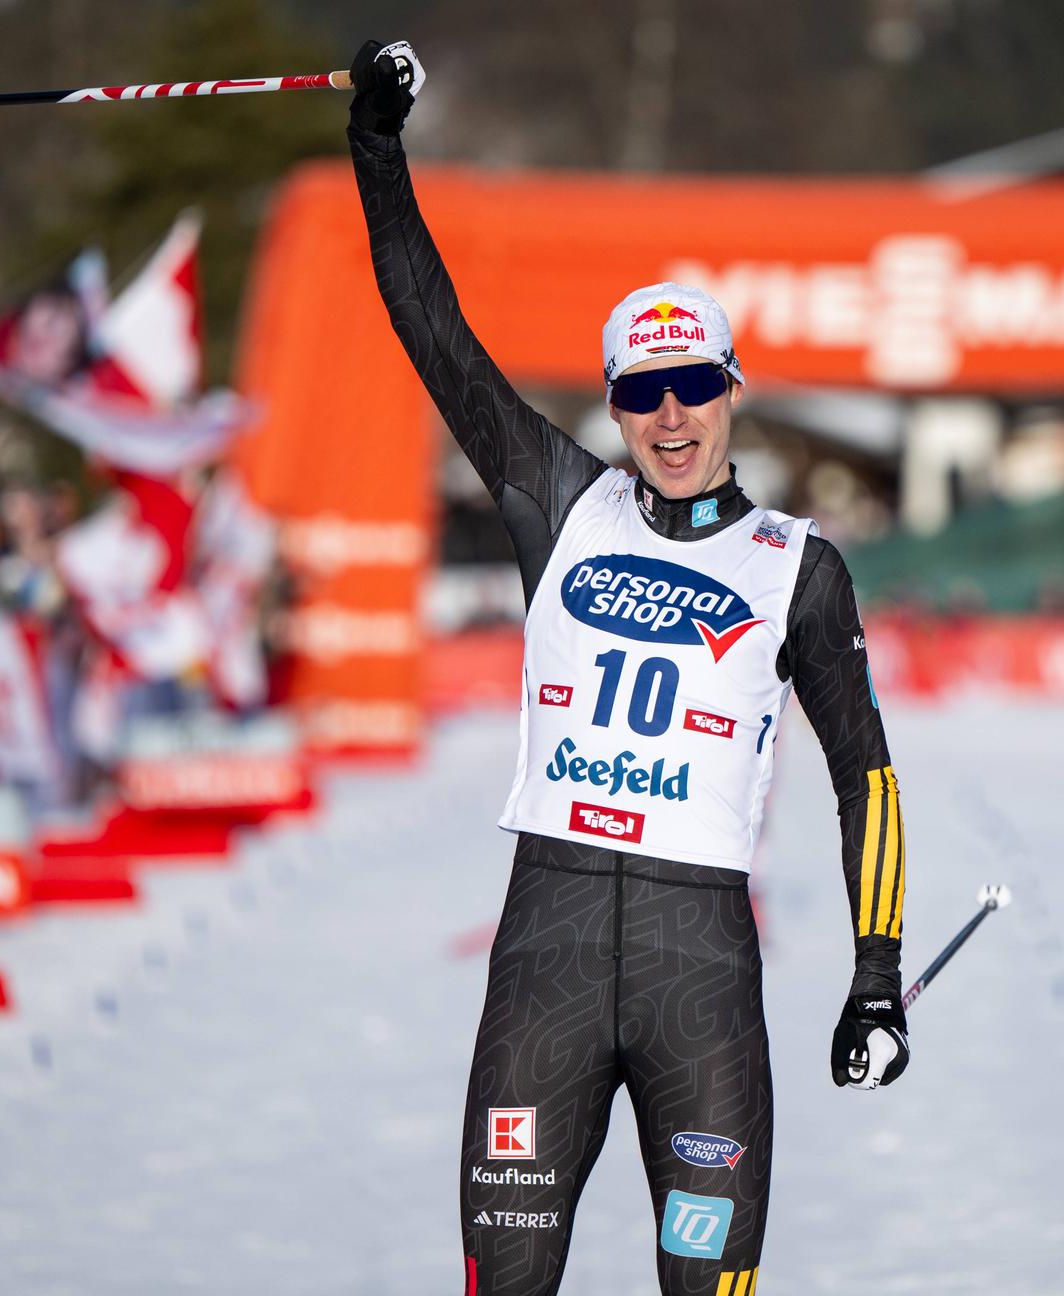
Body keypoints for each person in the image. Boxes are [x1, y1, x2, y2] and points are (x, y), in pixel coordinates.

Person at [346, 41, 909, 1296]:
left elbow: (864, 774)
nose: (670, 418)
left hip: (695, 967)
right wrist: (380, 155)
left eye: (693, 387)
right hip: (543, 950)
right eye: (643, 392)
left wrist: (878, 980)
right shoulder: (562, 502)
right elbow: (432, 329)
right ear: (614, 402)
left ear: (731, 390)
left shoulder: (796, 566)